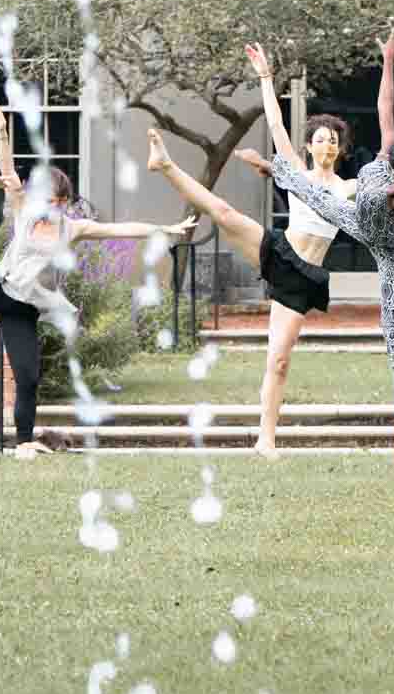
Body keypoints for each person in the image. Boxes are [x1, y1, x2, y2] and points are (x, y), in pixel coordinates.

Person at [213, 29, 394, 468]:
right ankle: (272, 168)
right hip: (355, 223)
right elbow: (384, 106)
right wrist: (388, 61)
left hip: (392, 252)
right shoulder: (384, 157)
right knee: (314, 194)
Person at [0, 99, 194, 458]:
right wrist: (2, 132)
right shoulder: (24, 210)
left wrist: (166, 228)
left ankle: (24, 443)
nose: (53, 208)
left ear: (67, 203)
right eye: (49, 201)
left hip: (22, 311)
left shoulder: (73, 227)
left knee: (28, 377)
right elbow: (6, 169)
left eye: (60, 203)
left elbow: (120, 229)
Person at [143, 44, 353, 454]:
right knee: (222, 210)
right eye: (320, 140)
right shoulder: (297, 173)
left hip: (302, 278)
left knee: (279, 361)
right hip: (279, 250)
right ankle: (165, 164)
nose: (326, 146)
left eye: (333, 141)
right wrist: (265, 78)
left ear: (339, 150)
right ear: (309, 146)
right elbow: (275, 124)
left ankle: (265, 439)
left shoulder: (348, 188)